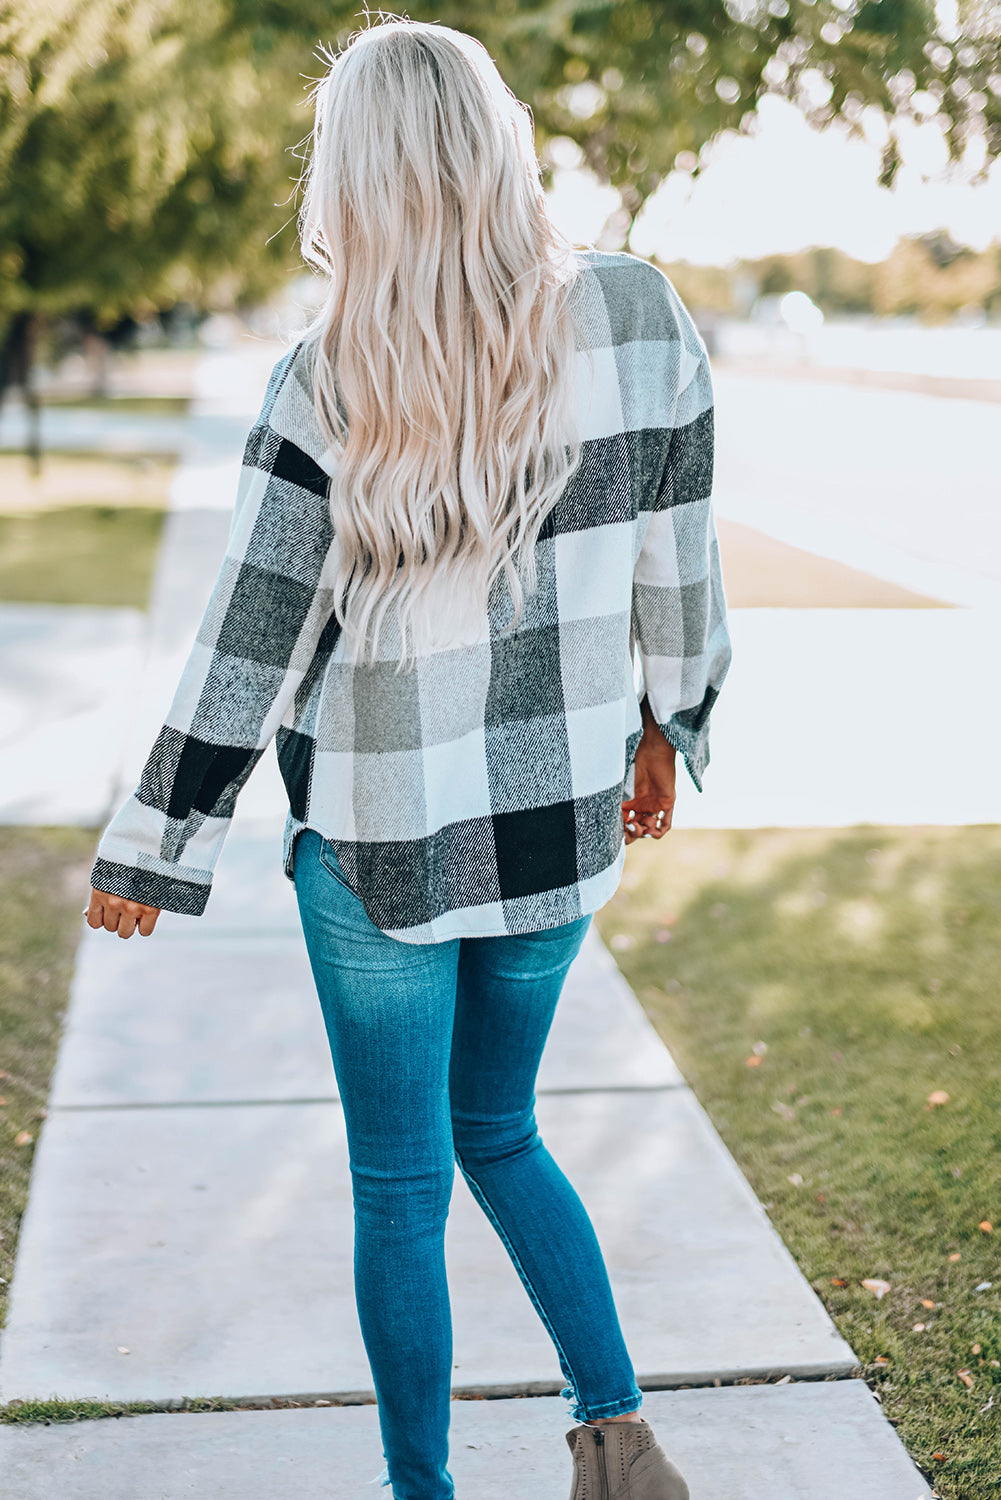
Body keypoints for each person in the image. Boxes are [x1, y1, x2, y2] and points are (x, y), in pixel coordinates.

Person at [84, 17, 731, 1500]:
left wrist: (158, 838)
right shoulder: (637, 314)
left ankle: (422, 1494)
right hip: (560, 833)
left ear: (353, 176)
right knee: (498, 1132)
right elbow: (679, 572)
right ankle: (615, 1439)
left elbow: (249, 639)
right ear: (500, 141)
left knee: (400, 1185)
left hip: (377, 846)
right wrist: (665, 728)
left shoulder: (327, 376)